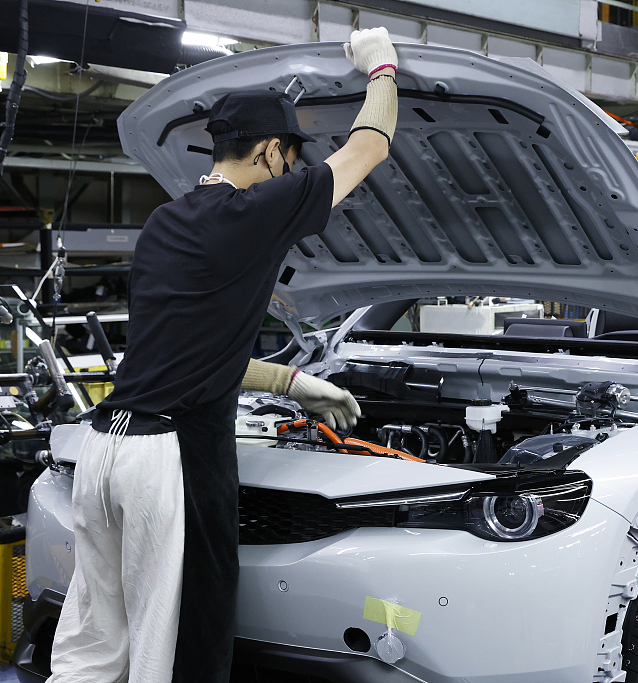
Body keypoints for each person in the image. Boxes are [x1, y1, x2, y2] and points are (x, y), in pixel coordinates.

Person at [46, 28, 399, 683]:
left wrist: (294, 382)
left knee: (94, 649)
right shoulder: (259, 208)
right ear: (270, 151)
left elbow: (192, 352)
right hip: (167, 460)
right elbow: (370, 146)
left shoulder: (165, 223)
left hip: (102, 452)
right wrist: (381, 64)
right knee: (180, 649)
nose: (294, 175)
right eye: (291, 161)